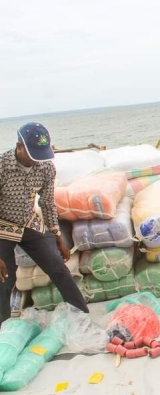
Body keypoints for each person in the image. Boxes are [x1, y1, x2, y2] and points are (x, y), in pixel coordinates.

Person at [0, 123, 89, 324]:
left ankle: (82, 317)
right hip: (2, 227)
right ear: (19, 147)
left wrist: (58, 237)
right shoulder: (2, 167)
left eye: (41, 155)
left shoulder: (46, 167)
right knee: (5, 279)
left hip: (29, 222)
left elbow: (47, 203)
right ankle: (3, 328)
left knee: (57, 266)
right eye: (33, 154)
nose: (37, 160)